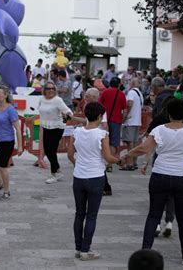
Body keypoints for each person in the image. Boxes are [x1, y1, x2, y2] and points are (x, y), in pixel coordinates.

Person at [121, 98, 183, 266]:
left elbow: (144, 148)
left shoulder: (160, 130)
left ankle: (145, 252)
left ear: (169, 114)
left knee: (153, 215)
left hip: (161, 175)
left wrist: (127, 154)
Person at [67, 102, 120, 261]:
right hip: (96, 177)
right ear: (99, 116)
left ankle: (78, 248)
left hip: (79, 177)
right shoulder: (102, 134)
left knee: (79, 213)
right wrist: (120, 160)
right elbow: (108, 157)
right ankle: (86, 249)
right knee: (91, 215)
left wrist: (78, 165)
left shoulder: (76, 132)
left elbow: (70, 155)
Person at [0, 86, 23, 201]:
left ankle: (6, 191)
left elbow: (18, 128)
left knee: (2, 167)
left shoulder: (10, 110)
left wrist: (20, 146)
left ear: (5, 95)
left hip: (7, 141)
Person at [38, 81, 73, 184]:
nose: (51, 90)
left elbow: (68, 111)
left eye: (53, 88)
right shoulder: (41, 99)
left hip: (57, 127)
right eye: (49, 88)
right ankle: (57, 170)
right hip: (46, 126)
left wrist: (67, 115)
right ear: (44, 90)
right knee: (47, 151)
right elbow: (41, 112)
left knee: (51, 150)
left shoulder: (58, 100)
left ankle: (54, 174)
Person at [98, 77, 127, 171]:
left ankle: (105, 160)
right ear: (119, 84)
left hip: (105, 120)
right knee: (113, 143)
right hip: (116, 121)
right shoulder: (122, 94)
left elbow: (99, 104)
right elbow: (125, 110)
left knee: (104, 140)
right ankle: (110, 164)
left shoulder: (105, 92)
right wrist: (123, 119)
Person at [121, 78, 143, 170]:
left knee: (130, 143)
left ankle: (129, 164)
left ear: (132, 83)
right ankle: (134, 162)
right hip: (137, 121)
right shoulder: (140, 93)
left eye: (130, 81)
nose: (128, 83)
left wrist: (125, 116)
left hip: (130, 121)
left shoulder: (131, 92)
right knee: (135, 143)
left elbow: (129, 103)